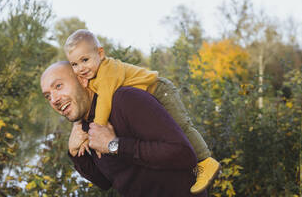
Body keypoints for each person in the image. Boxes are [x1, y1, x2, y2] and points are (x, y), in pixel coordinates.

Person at [63, 29, 220, 194]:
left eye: (85, 60)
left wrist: (98, 129)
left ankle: (205, 160)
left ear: (100, 54)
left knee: (183, 127)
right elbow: (104, 181)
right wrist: (79, 133)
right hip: (147, 94)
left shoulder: (107, 73)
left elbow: (104, 101)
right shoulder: (93, 80)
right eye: (74, 64)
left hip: (158, 89)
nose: (81, 68)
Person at [40, 61, 207, 196]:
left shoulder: (126, 100)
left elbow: (184, 154)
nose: (53, 100)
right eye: (48, 96)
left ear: (82, 80)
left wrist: (114, 145)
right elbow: (107, 182)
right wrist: (76, 154)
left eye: (58, 86)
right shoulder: (87, 126)